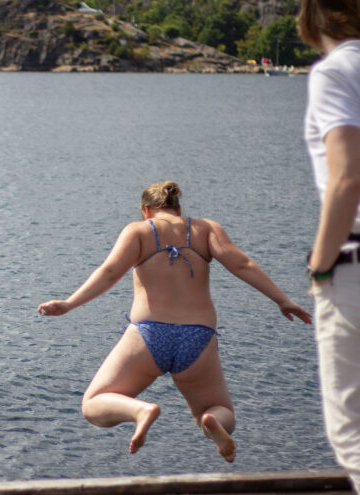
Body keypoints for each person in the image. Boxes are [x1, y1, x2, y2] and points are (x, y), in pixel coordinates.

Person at [37, 181, 311, 462]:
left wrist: (70, 303)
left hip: (149, 334)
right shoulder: (206, 229)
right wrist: (282, 300)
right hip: (198, 337)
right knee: (219, 410)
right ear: (179, 209)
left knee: (93, 404)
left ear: (146, 210)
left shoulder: (139, 231)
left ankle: (140, 411)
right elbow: (242, 265)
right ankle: (212, 421)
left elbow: (109, 272)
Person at [298, 0, 360, 489]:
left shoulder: (335, 71)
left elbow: (346, 176)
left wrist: (321, 265)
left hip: (354, 266)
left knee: (352, 432)